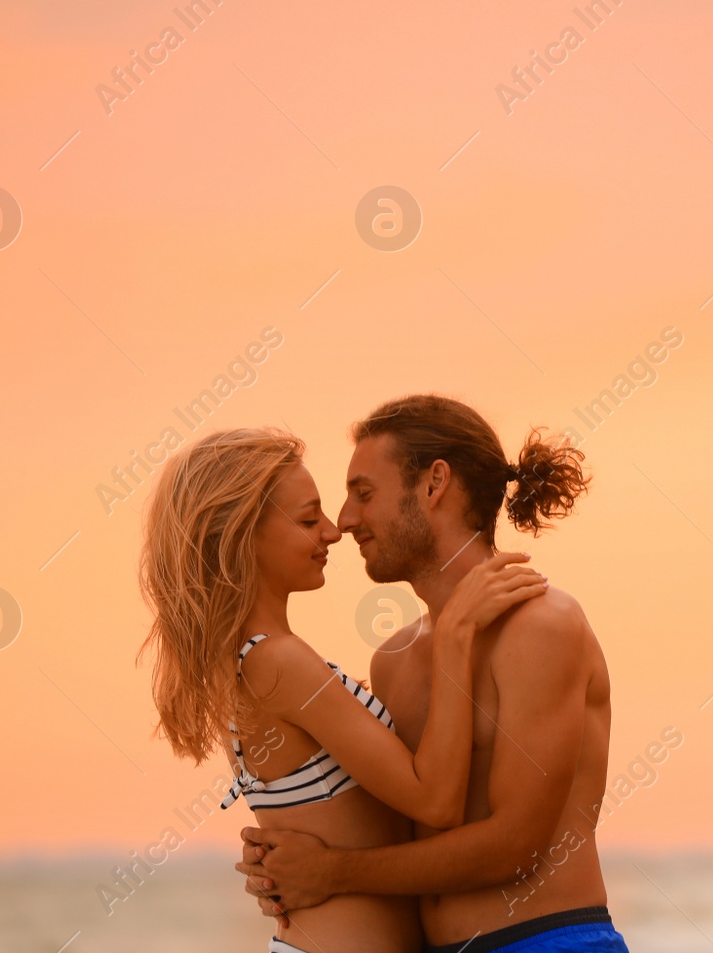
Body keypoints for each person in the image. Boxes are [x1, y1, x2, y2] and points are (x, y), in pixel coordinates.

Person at [238, 395, 629, 953]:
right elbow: (406, 823)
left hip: (545, 941)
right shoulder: (394, 660)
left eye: (364, 494)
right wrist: (281, 855)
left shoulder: (542, 626)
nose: (346, 521)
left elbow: (515, 846)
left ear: (434, 484)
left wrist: (334, 873)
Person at [138, 426, 549, 953]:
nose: (333, 532)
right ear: (243, 537)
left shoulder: (254, 661)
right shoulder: (281, 662)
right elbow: (436, 801)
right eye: (309, 519)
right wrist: (455, 634)